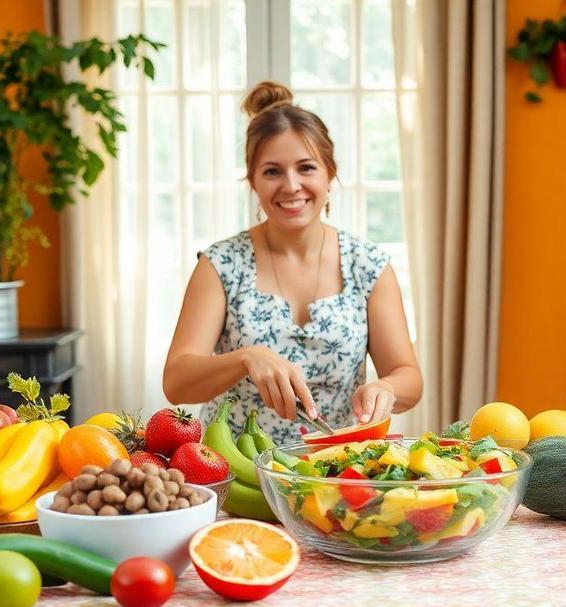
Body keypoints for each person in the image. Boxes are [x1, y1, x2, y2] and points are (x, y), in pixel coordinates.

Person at [163, 81, 422, 444]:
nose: (291, 185)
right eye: (272, 171)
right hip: (238, 471)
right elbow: (176, 382)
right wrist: (244, 358)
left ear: (329, 172)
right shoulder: (220, 264)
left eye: (306, 168)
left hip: (334, 472)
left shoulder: (368, 265)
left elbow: (408, 375)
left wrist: (386, 387)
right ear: (252, 180)